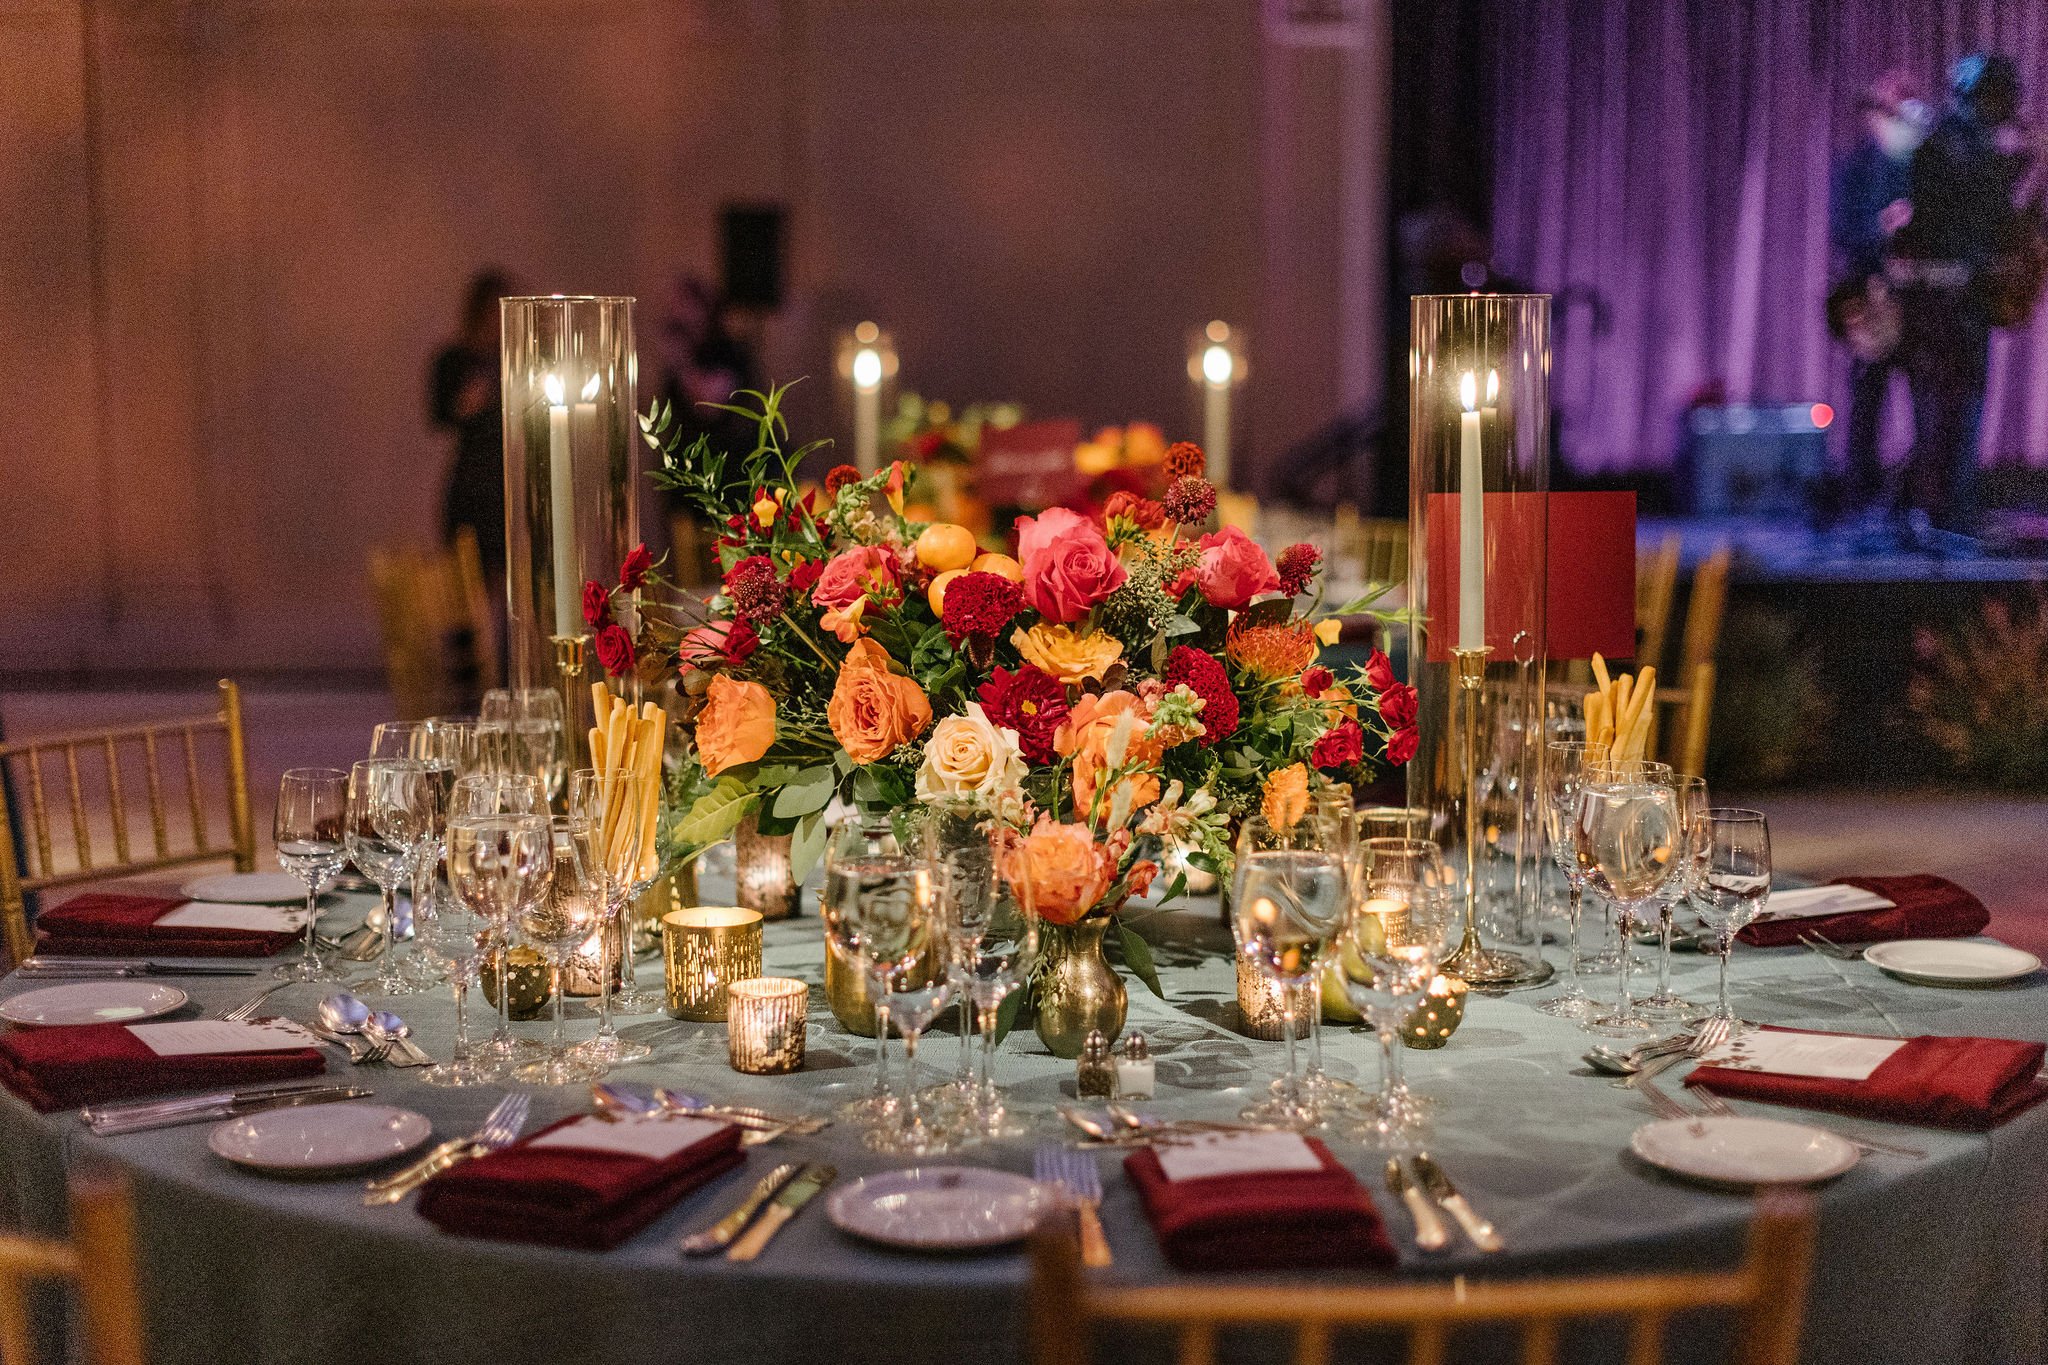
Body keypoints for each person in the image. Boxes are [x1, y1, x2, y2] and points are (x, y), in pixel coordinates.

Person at [1888, 54, 2033, 548]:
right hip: (1942, 299)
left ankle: (1946, 508)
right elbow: (1953, 218)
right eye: (2002, 98)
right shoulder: (1951, 145)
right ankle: (1940, 512)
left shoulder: (1966, 144)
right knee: (1947, 409)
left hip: (1960, 297)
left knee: (1957, 408)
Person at [1829, 73, 1929, 520]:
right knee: (1867, 401)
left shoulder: (1928, 166)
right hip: (1873, 303)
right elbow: (1843, 231)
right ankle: (1859, 496)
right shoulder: (1854, 168)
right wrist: (1881, 228)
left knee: (1928, 404)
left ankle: (1919, 494)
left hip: (1922, 304)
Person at [429, 269, 516, 578]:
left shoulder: (512, 359)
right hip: (471, 484)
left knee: (512, 582)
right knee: (466, 582)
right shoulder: (453, 360)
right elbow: (439, 416)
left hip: (507, 481)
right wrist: (466, 404)